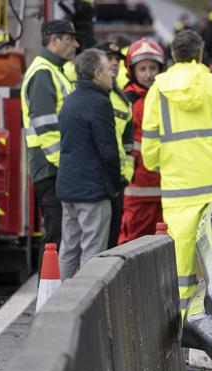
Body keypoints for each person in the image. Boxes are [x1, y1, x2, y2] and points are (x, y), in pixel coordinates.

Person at [142, 29, 212, 321]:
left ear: (173, 55)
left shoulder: (158, 90)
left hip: (180, 187)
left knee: (181, 260)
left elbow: (150, 142)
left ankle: (184, 325)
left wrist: (158, 163)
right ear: (200, 53)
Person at [56, 50, 126, 278]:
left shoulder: (69, 101)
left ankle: (59, 300)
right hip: (92, 189)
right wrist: (115, 184)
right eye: (108, 70)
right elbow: (108, 150)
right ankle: (85, 309)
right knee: (92, 251)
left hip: (68, 186)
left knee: (69, 248)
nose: (112, 75)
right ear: (97, 74)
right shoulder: (99, 103)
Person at [22, 19, 78, 248]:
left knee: (61, 235)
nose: (76, 44)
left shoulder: (53, 70)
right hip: (51, 168)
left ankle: (54, 284)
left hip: (53, 166)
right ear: (54, 40)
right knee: (56, 236)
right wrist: (65, 165)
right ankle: (49, 285)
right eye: (70, 38)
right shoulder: (44, 72)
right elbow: (46, 127)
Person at [118, 38, 167, 245]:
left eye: (152, 68)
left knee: (167, 245)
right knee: (132, 244)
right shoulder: (127, 101)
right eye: (143, 69)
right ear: (132, 71)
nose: (148, 74)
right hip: (137, 188)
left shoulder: (169, 96)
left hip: (167, 186)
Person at [95, 41, 135, 250]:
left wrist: (125, 176)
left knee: (111, 241)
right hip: (93, 181)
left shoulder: (122, 101)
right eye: (108, 58)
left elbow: (128, 146)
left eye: (117, 59)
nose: (114, 63)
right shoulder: (88, 95)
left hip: (116, 181)